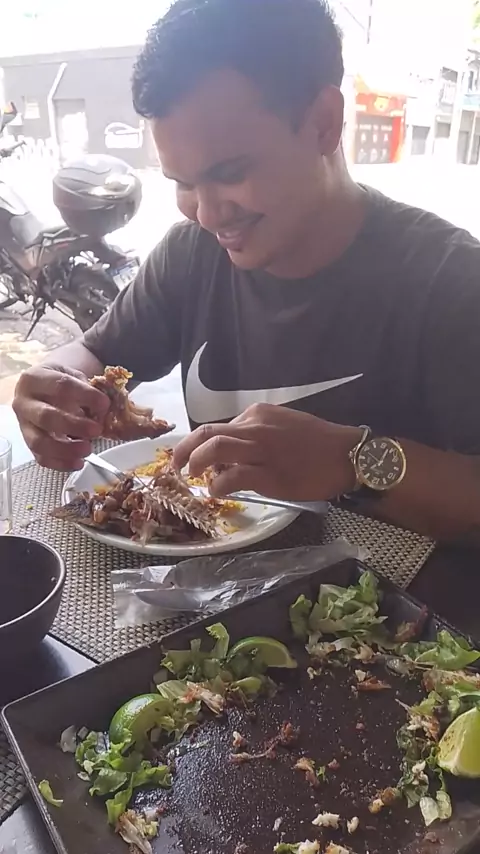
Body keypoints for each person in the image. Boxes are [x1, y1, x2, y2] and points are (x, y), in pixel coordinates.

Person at [12, 0, 480, 541]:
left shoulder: (452, 283)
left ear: (323, 123)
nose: (208, 215)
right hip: (214, 582)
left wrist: (352, 459)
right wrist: (53, 388)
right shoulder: (190, 255)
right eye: (184, 183)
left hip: (394, 590)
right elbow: (95, 356)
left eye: (230, 173)